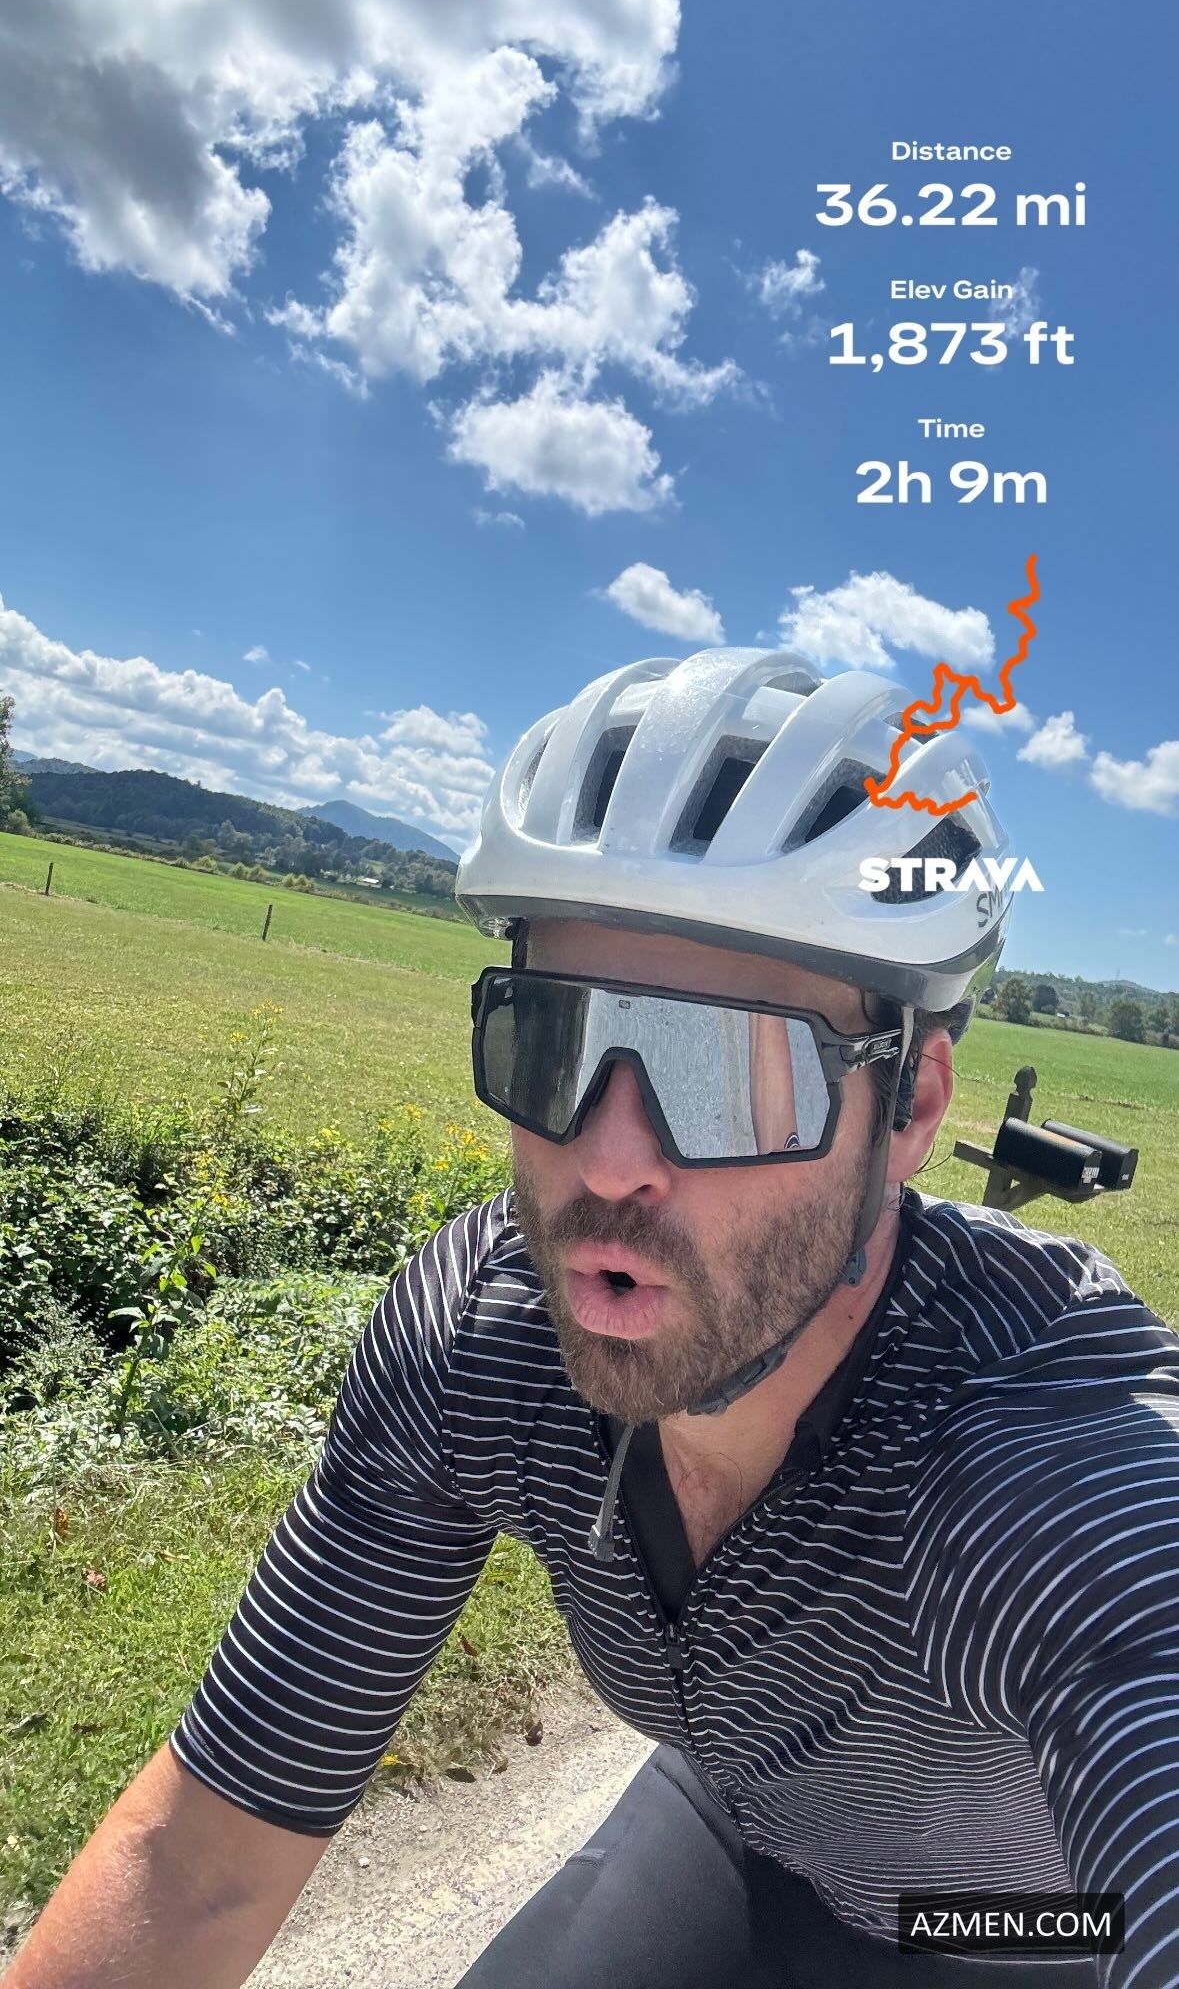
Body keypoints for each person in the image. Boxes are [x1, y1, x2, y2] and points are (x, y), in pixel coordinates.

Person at [8, 647, 1179, 1989]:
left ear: (908, 1107)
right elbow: (200, 1865)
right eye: (555, 1039)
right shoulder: (486, 1335)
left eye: (729, 1068)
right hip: (738, 1831)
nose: (610, 1161)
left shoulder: (1043, 1463)